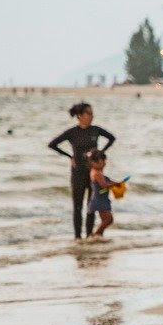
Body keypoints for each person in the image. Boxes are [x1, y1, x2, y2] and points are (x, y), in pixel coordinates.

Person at [48, 102, 115, 240]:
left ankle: (89, 236)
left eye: (92, 113)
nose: (91, 116)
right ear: (79, 116)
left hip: (93, 174)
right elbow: (52, 144)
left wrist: (100, 153)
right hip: (77, 172)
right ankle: (77, 238)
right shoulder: (72, 132)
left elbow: (111, 138)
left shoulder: (95, 130)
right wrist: (69, 156)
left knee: (91, 206)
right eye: (88, 113)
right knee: (77, 207)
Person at [85, 150, 122, 238]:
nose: (104, 163)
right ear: (94, 162)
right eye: (102, 161)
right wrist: (114, 184)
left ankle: (99, 235)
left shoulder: (99, 172)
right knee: (109, 219)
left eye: (105, 161)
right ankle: (95, 234)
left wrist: (116, 183)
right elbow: (104, 185)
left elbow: (107, 181)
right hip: (99, 199)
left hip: (103, 199)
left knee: (106, 219)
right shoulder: (96, 173)